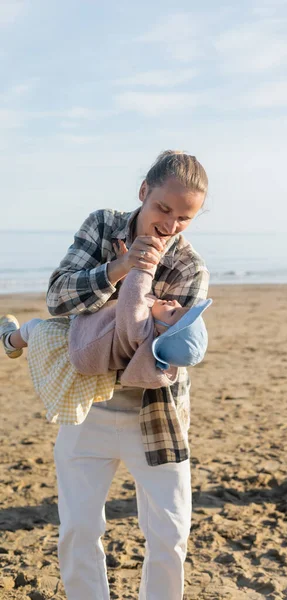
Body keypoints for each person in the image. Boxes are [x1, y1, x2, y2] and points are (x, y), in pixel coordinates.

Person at [10, 150, 209, 600]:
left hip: (156, 414)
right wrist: (119, 270)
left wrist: (109, 314)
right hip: (87, 408)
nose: (170, 224)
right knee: (79, 529)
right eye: (163, 208)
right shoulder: (102, 225)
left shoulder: (190, 269)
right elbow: (58, 299)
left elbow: (154, 355)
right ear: (143, 192)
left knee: (170, 535)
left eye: (184, 218)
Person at [0, 239, 212, 426]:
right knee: (59, 319)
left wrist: (144, 265)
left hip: (82, 344)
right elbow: (135, 298)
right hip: (95, 336)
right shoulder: (149, 324)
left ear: (160, 332)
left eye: (173, 311)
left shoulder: (140, 329)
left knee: (36, 328)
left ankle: (10, 341)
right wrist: (125, 272)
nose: (174, 302)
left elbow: (133, 296)